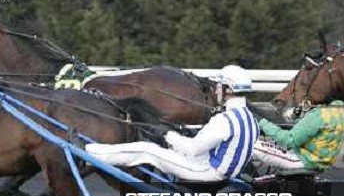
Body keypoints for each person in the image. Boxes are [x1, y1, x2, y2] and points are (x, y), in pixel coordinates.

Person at [86, 65, 260, 181]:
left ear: (228, 89)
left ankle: (87, 152)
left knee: (147, 150)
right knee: (166, 150)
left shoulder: (224, 120)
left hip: (207, 173)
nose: (215, 90)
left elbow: (193, 149)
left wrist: (166, 134)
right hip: (221, 171)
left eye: (218, 86)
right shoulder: (251, 120)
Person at [252, 101, 344, 173]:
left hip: (303, 159)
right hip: (317, 159)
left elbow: (289, 140)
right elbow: (305, 130)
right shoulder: (339, 109)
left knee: (250, 147)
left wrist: (260, 122)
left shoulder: (321, 114)